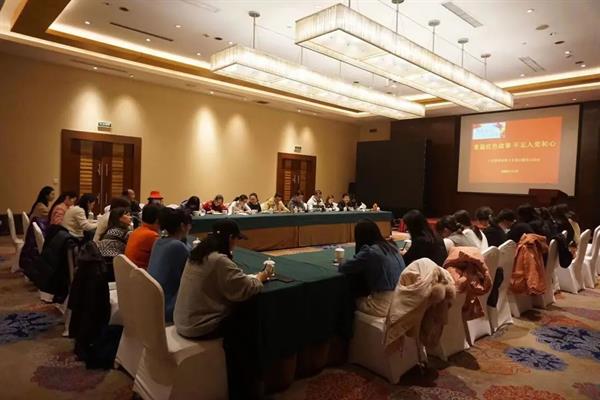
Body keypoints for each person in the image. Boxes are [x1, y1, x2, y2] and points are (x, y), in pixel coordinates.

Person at [174, 220, 271, 339]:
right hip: (199, 327)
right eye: (237, 239)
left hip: (182, 321)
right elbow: (247, 288)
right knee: (248, 314)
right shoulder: (218, 260)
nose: (236, 243)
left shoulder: (198, 253)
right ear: (230, 238)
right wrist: (261, 277)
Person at [338, 219, 405, 317]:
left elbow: (344, 267)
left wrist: (340, 261)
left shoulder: (369, 251)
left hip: (382, 306)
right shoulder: (392, 246)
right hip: (400, 301)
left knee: (348, 299)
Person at [147, 208, 192, 323]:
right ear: (183, 226)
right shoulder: (177, 246)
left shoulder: (158, 241)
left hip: (151, 302)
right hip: (167, 307)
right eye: (189, 225)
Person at [124, 204, 162, 269]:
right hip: (142, 273)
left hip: (129, 272)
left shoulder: (136, 231)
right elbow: (161, 259)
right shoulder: (152, 236)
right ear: (158, 220)